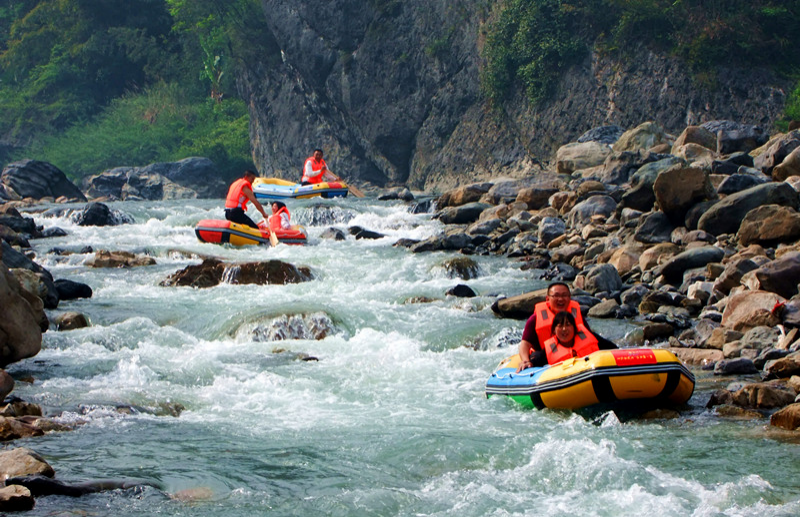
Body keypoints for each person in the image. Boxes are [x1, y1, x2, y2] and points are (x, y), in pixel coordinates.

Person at [516, 282, 615, 371]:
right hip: (548, 359)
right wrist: (525, 361)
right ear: (548, 299)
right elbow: (525, 344)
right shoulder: (535, 319)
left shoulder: (575, 315)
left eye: (564, 295)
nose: (561, 299)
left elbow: (590, 337)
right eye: (556, 296)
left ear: (570, 297)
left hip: (578, 358)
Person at [525, 311, 617, 367]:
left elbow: (613, 349)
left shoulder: (591, 337)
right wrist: (527, 362)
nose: (564, 329)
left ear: (575, 328)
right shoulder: (549, 350)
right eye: (560, 326)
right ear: (554, 331)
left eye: (568, 325)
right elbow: (535, 361)